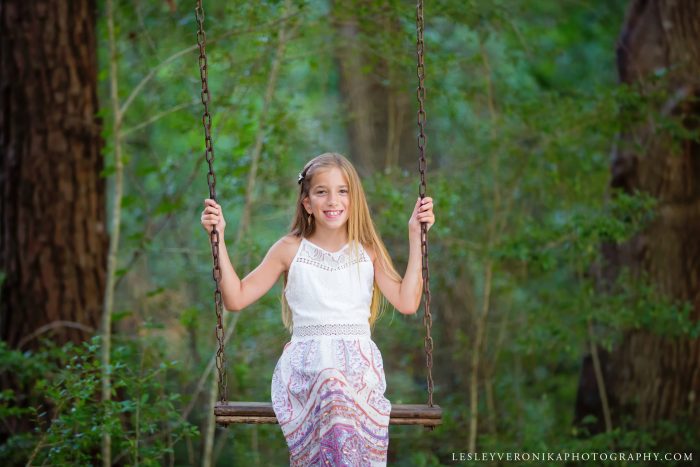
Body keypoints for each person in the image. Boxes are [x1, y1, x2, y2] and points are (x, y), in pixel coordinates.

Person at [200, 152, 435, 466]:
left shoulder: (367, 250)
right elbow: (236, 297)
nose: (332, 200)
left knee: (339, 392)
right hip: (308, 370)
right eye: (322, 191)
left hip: (358, 372)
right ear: (307, 202)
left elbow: (407, 302)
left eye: (342, 191)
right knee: (330, 384)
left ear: (354, 199)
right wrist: (219, 239)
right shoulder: (290, 249)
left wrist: (415, 236)